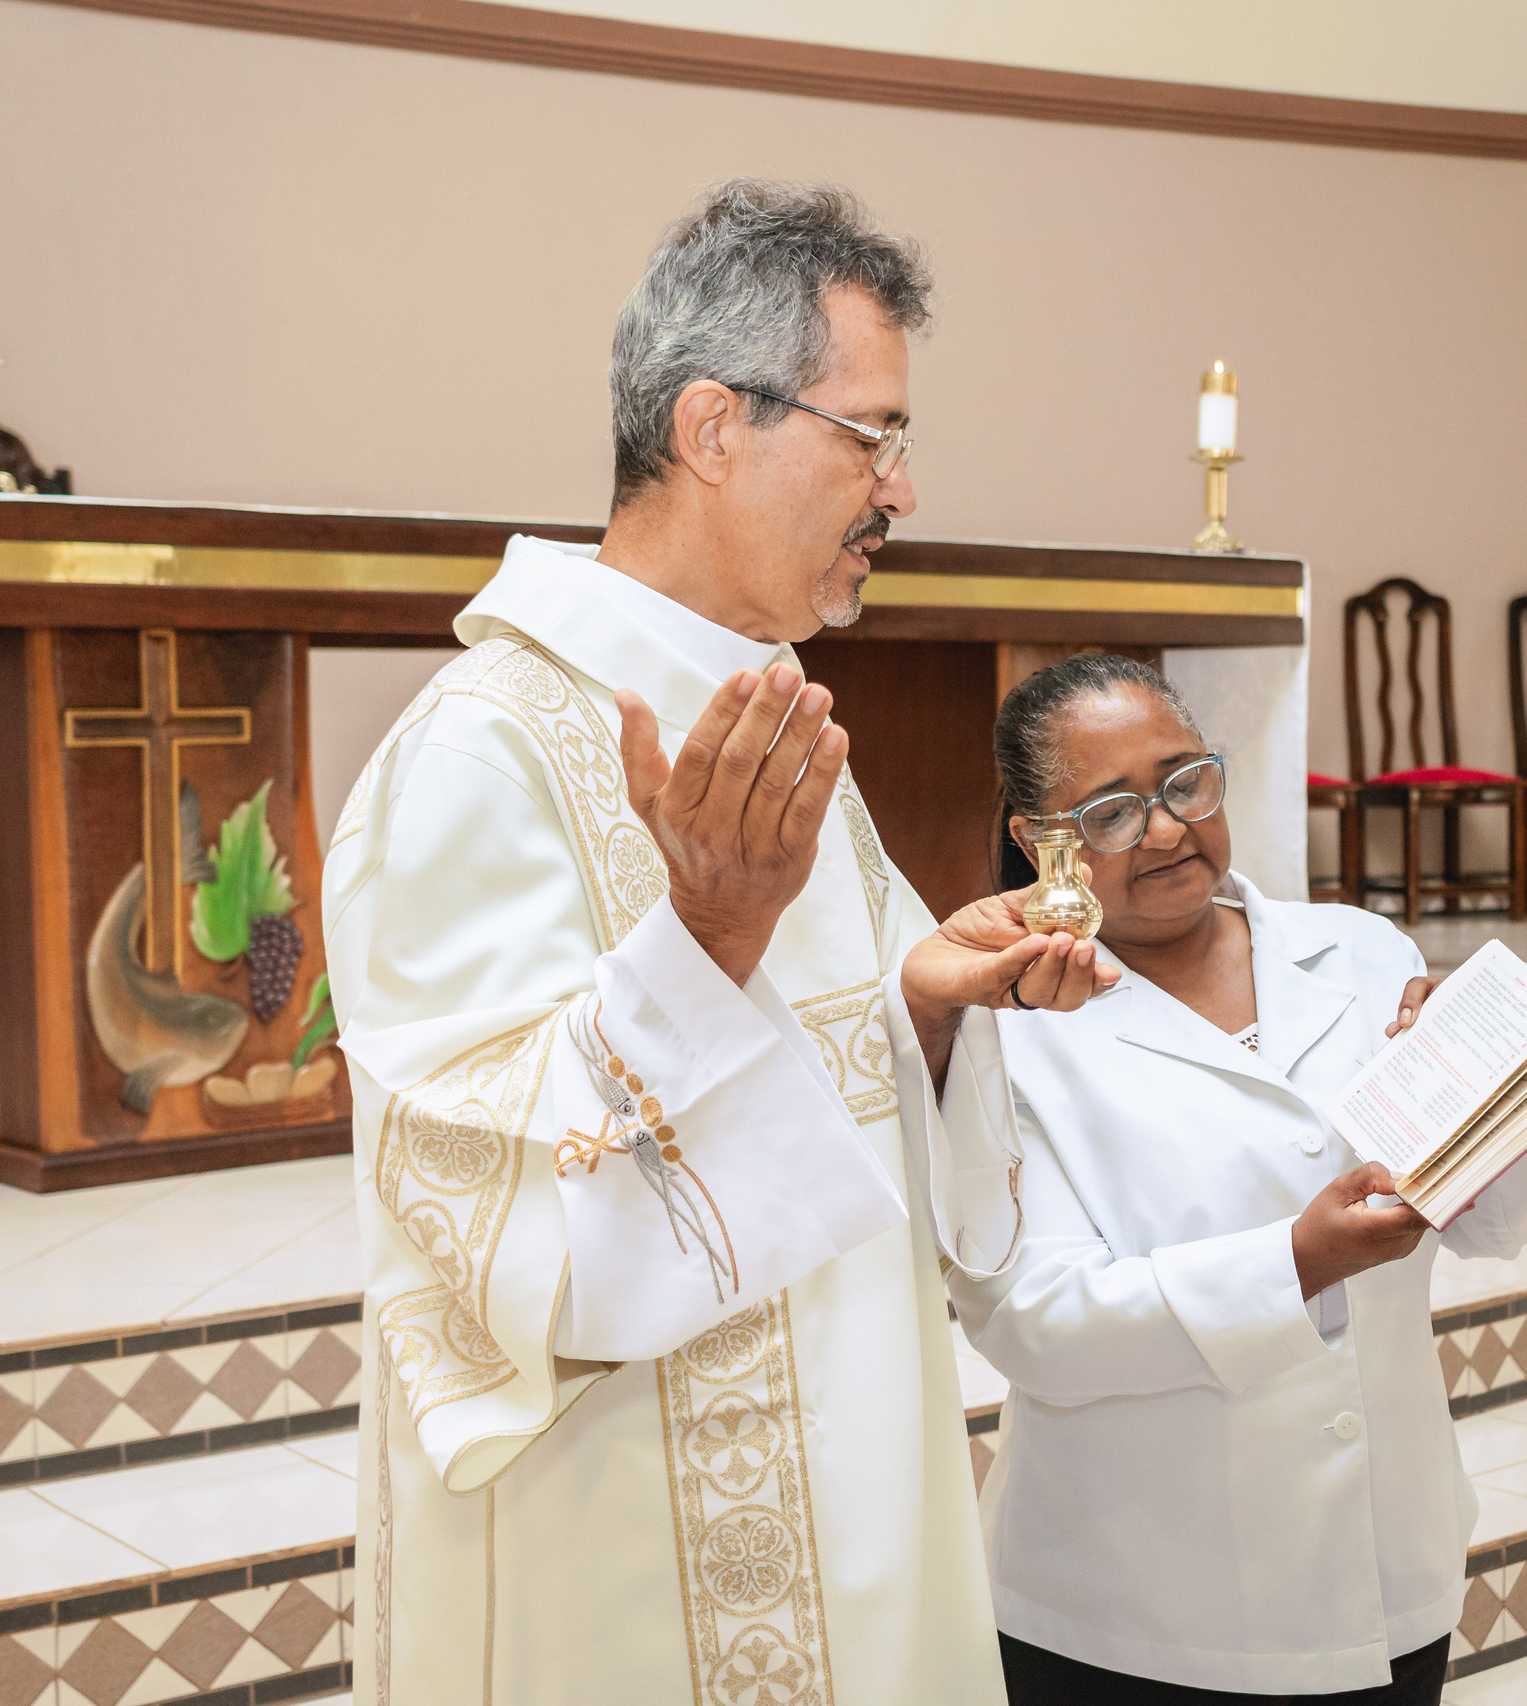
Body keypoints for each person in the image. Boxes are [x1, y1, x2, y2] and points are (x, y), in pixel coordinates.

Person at [324, 180, 1111, 1705]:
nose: (901, 490)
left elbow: (844, 1071)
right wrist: (703, 937)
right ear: (713, 427)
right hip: (622, 1554)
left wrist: (929, 1002)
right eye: (873, 436)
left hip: (862, 1474)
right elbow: (466, 1199)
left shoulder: (759, 706)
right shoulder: (484, 752)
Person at [947, 653, 1527, 1704]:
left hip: (1386, 1561)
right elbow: (1029, 1320)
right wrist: (1295, 1261)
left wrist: (1500, 1097)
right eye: (1111, 812)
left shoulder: (1359, 951)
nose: (1170, 828)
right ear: (1035, 839)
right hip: (1135, 1606)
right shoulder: (1006, 1027)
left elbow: (1494, 1225)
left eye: (1186, 782)